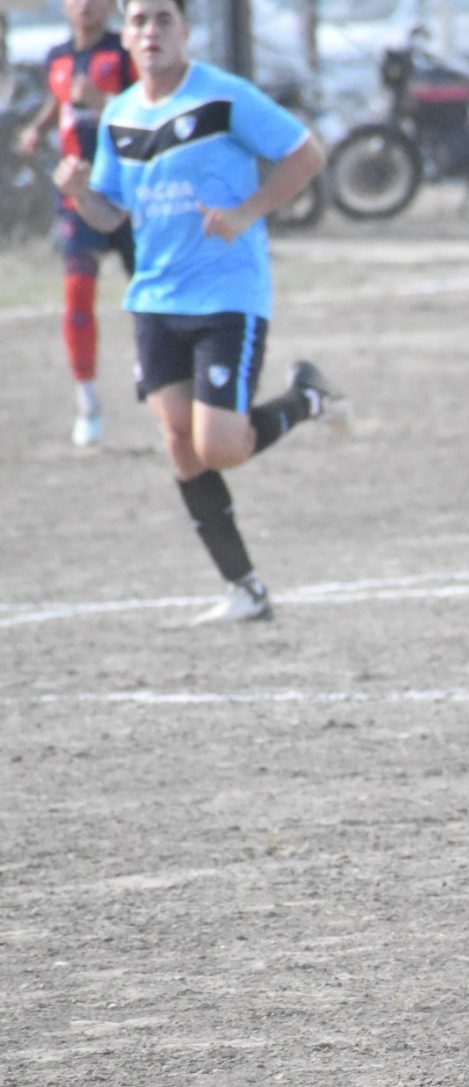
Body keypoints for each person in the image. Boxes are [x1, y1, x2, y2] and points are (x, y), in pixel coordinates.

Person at [52, 0, 343, 625]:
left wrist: (247, 212)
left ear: (185, 31)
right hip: (155, 299)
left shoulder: (223, 98)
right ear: (124, 38)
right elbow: (112, 214)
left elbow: (307, 154)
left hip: (226, 293)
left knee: (221, 446)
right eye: (139, 22)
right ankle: (246, 590)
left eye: (162, 19)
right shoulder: (120, 117)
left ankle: (306, 399)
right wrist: (79, 193)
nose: (150, 32)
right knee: (180, 447)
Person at [14, 0, 137, 446]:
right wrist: (39, 127)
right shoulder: (58, 56)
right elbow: (59, 97)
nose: (85, 6)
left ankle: (154, 365)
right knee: (77, 290)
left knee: (147, 286)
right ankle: (88, 398)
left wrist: (100, 101)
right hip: (76, 189)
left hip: (124, 188)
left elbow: (145, 112)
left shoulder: (125, 52)